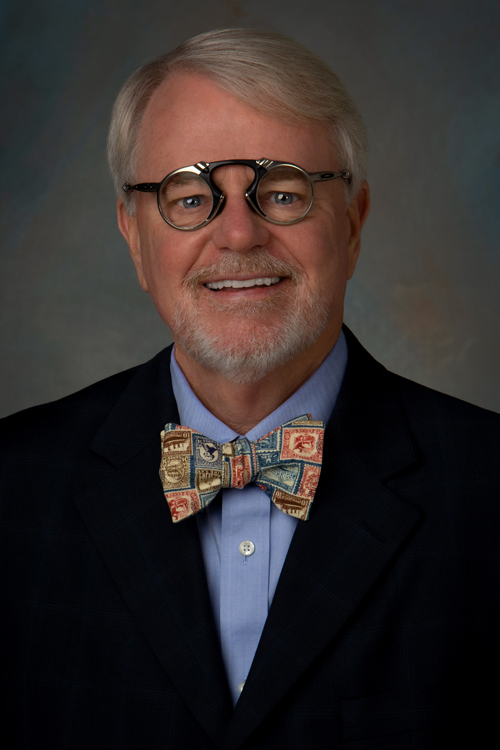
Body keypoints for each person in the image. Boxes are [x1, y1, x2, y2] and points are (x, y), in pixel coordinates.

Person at [1, 28, 499, 750]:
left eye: (285, 192)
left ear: (353, 226)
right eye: (189, 197)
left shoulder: (486, 488)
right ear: (135, 238)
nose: (238, 233)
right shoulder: (15, 487)